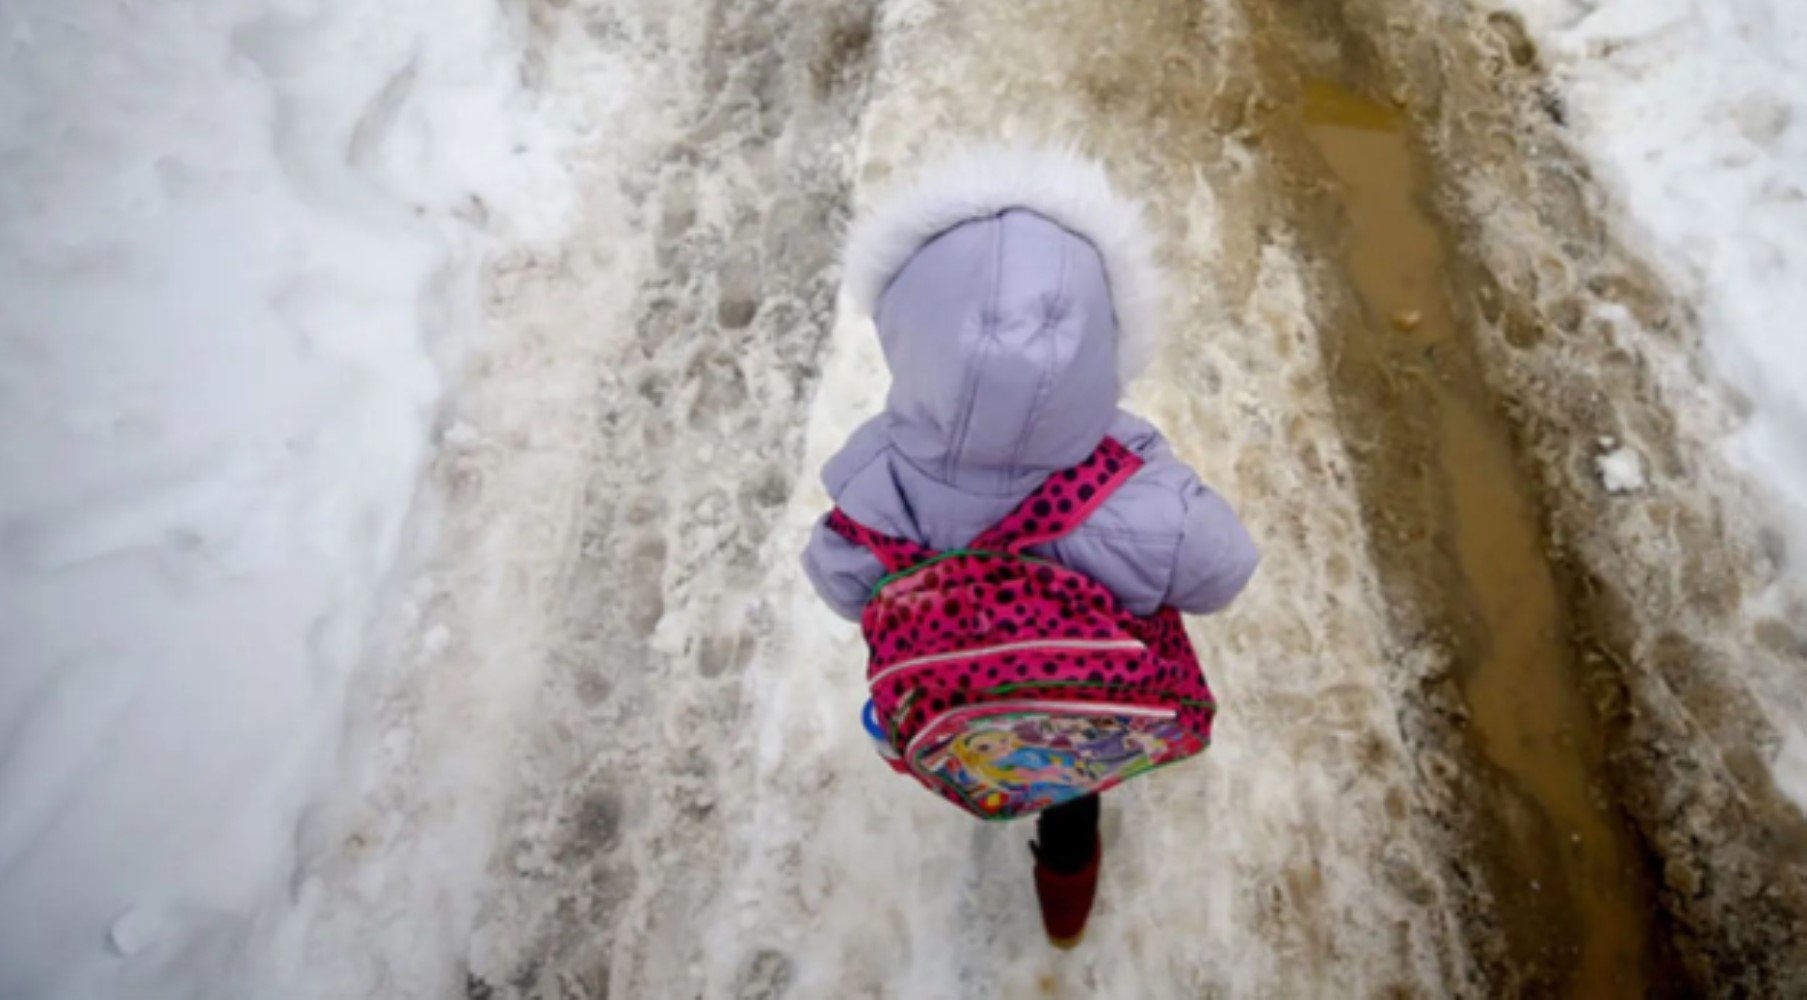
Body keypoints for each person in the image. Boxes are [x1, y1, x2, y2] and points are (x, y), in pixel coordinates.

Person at [801, 144, 1260, 946]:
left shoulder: (876, 483)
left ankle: (980, 776)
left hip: (953, 696)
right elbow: (1222, 571)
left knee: (985, 740)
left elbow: (839, 581)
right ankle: (1065, 911)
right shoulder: (1140, 501)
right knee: (1068, 790)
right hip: (1074, 698)